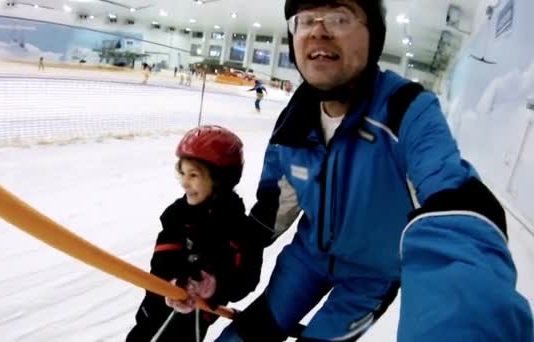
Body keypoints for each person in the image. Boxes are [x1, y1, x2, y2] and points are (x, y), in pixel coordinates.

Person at [215, 0, 533, 341]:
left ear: (374, 36)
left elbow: (453, 204)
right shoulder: (294, 122)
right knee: (249, 332)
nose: (318, 30)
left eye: (339, 17)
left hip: (371, 279)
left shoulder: (406, 110)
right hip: (305, 261)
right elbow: (271, 211)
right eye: (305, 20)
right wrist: (217, 268)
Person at [126, 125, 262, 342]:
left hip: (194, 322)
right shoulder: (177, 216)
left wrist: (214, 286)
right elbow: (162, 259)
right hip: (156, 310)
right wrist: (171, 281)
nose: (185, 182)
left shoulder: (240, 229)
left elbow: (247, 279)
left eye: (194, 174)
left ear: (220, 180)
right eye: (182, 173)